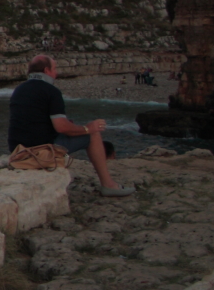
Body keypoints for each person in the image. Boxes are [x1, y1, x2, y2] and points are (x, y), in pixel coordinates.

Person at [8, 55, 132, 196]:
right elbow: (62, 127)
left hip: (17, 150)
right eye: (55, 69)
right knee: (93, 135)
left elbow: (33, 122)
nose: (57, 73)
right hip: (40, 151)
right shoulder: (51, 91)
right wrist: (88, 128)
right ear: (47, 70)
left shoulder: (19, 90)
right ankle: (109, 185)